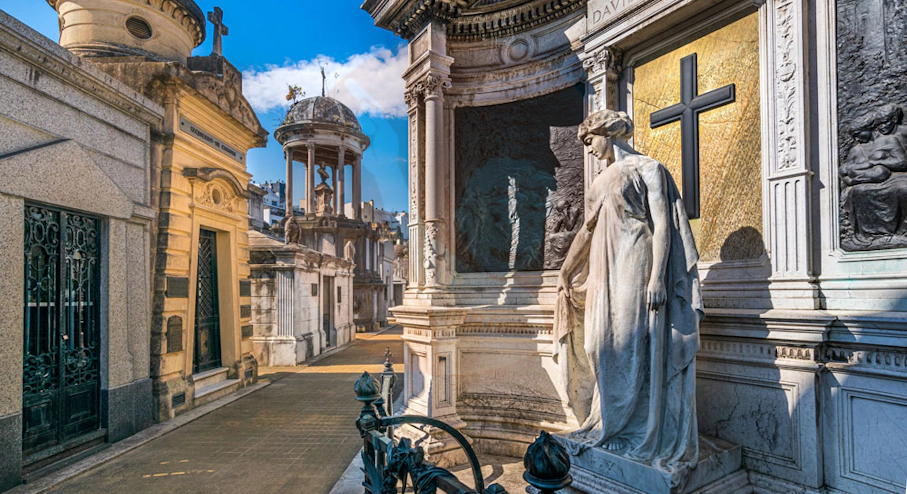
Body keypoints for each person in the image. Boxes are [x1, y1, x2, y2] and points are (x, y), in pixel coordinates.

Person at [554, 110, 703, 477]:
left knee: (633, 342)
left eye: (589, 141)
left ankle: (638, 429)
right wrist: (566, 270)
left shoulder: (649, 169)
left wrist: (657, 278)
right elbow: (587, 233)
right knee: (597, 344)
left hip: (636, 261)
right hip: (605, 267)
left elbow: (664, 224)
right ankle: (608, 422)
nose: (588, 151)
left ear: (606, 132)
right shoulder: (601, 182)